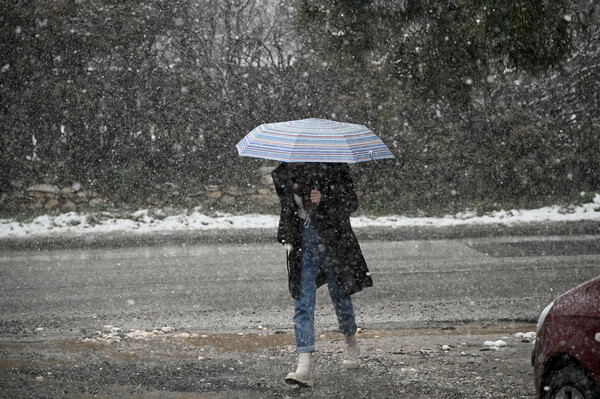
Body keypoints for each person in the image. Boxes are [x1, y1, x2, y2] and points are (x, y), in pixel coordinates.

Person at [271, 162, 373, 387]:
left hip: (332, 239)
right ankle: (304, 365)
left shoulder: (333, 167)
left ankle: (350, 341)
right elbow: (287, 209)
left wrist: (324, 198)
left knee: (340, 295)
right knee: (302, 301)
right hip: (302, 243)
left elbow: (351, 202)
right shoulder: (285, 173)